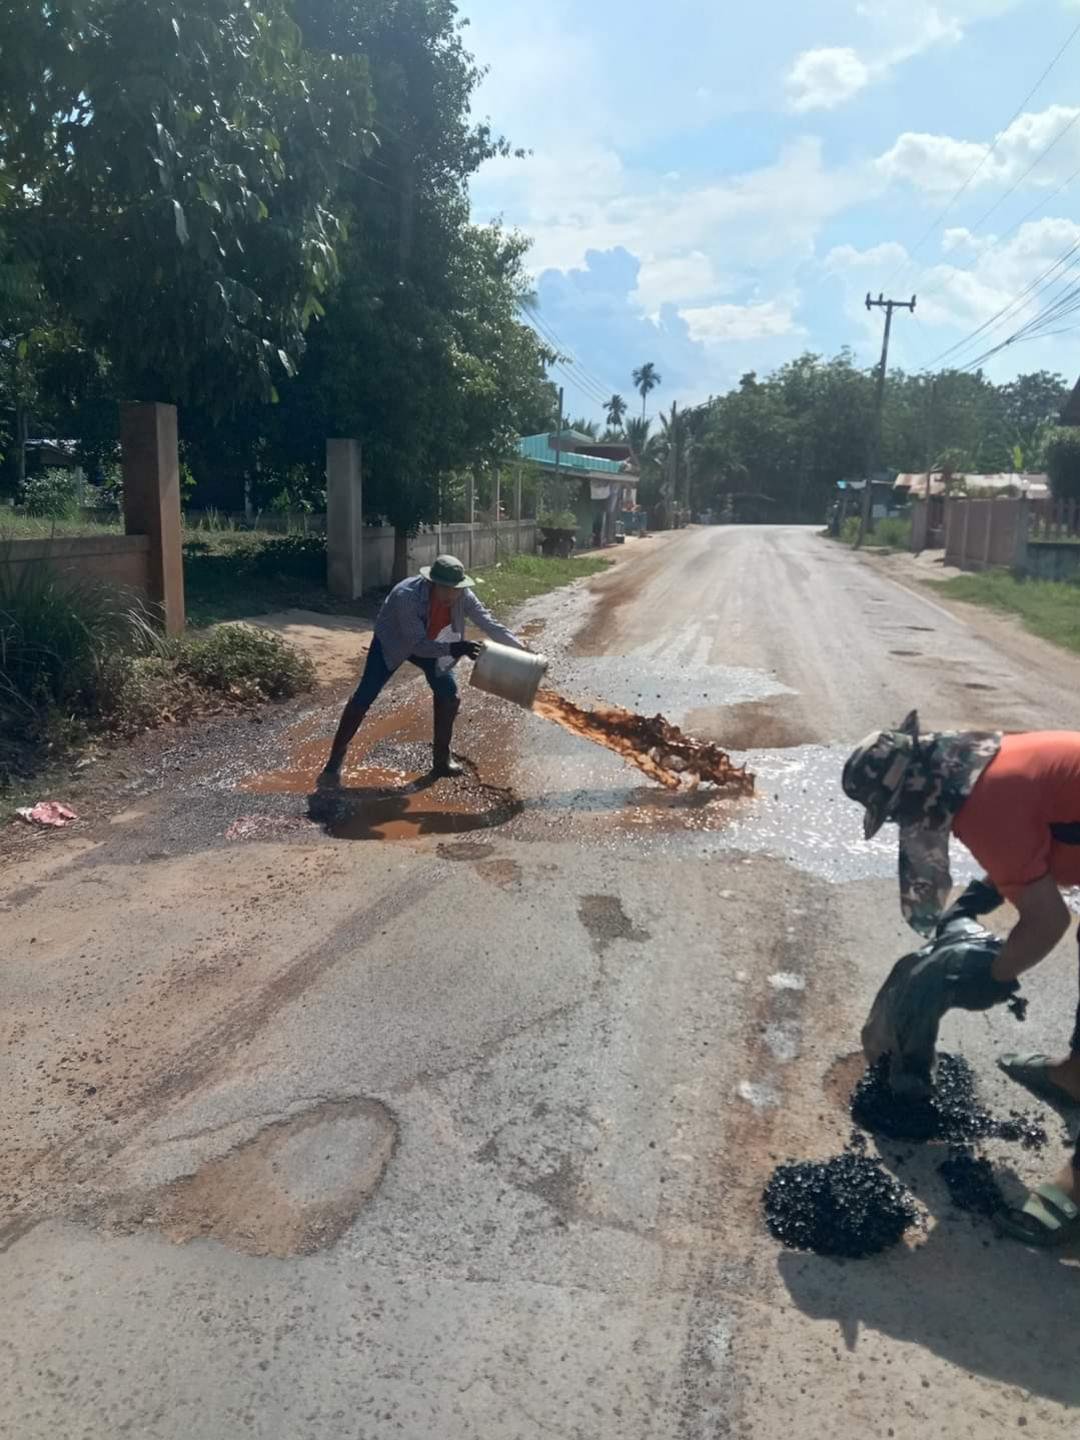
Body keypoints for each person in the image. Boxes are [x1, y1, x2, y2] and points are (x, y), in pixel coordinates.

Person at [843, 712, 1080, 1247]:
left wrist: (991, 977)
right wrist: (979, 897)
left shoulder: (987, 803)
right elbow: (1037, 834)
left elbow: (1049, 922)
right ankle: (1075, 1075)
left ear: (915, 792)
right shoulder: (977, 765)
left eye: (898, 810)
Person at [319, 554, 528, 784]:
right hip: (394, 642)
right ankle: (334, 760)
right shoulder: (406, 597)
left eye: (456, 589)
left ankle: (441, 760)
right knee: (365, 695)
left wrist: (524, 652)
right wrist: (457, 648)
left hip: (437, 642)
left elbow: (489, 623)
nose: (451, 595)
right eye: (445, 588)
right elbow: (417, 645)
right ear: (431, 583)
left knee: (449, 697)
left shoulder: (463, 595)